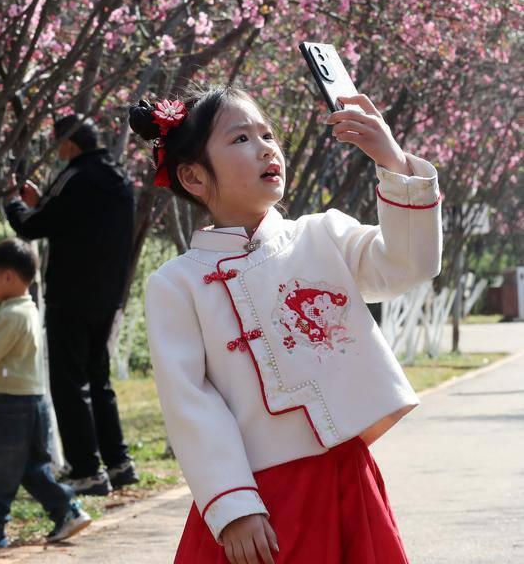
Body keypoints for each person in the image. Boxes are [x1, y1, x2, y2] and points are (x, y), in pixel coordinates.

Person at [129, 86, 442, 564]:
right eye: (240, 139)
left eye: (268, 133)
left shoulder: (323, 235)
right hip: (254, 504)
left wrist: (394, 163)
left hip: (344, 482)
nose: (266, 147)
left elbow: (408, 265)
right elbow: (191, 402)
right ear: (192, 176)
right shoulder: (176, 284)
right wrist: (231, 505)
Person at [4, 114, 138, 496]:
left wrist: (16, 206)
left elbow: (33, 226)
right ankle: (118, 462)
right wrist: (41, 204)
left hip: (71, 296)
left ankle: (86, 469)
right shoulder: (120, 177)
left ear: (70, 144)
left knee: (68, 383)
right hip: (107, 296)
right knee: (99, 380)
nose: (56, 150)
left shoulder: (76, 175)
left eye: (57, 142)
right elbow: (72, 219)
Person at [0, 239, 91, 549]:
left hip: (10, 407)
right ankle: (67, 511)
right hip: (33, 404)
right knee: (31, 469)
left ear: (8, 276)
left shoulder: (11, 314)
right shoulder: (29, 310)